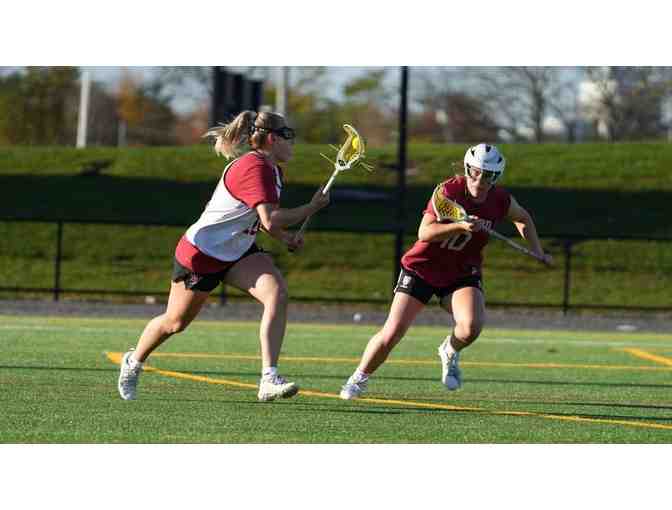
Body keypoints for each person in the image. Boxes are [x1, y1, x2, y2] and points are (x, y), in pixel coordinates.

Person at [117, 110, 330, 402]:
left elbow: (258, 219)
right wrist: (311, 208)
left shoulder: (273, 171)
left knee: (277, 294)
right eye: (288, 135)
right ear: (271, 138)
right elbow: (270, 219)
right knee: (175, 323)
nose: (292, 142)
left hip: (238, 251)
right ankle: (133, 361)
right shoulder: (255, 167)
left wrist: (285, 238)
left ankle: (269, 378)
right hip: (202, 253)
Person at [339, 143, 553, 400]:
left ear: (497, 177)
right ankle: (358, 378)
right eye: (476, 172)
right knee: (392, 332)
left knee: (471, 327)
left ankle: (449, 350)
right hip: (422, 268)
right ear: (467, 168)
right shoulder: (449, 191)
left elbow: (523, 218)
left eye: (488, 176)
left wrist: (538, 251)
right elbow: (425, 232)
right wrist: (460, 226)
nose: (480, 181)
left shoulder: (500, 200)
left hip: (461, 272)